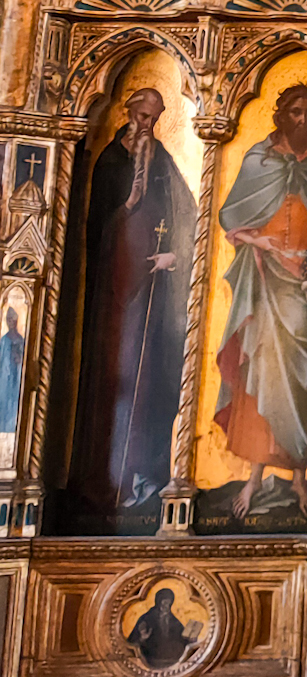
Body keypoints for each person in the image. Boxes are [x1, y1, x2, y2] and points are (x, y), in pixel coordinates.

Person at [212, 83, 307, 518]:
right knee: (261, 374)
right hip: (267, 281)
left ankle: (300, 477)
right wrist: (261, 242)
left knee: (305, 380)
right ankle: (254, 478)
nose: (303, 120)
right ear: (281, 115)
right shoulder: (260, 159)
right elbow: (231, 217)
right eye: (294, 112)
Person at [69, 88, 194, 517]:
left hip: (154, 293)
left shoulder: (161, 160)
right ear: (127, 112)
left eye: (154, 119)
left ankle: (143, 474)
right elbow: (97, 228)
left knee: (150, 378)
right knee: (115, 379)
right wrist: (129, 205)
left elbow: (186, 212)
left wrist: (175, 253)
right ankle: (104, 480)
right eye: (142, 116)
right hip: (116, 294)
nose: (147, 126)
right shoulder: (110, 162)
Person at [126, 587, 195, 670]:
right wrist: (142, 638)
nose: (165, 606)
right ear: (158, 602)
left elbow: (182, 640)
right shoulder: (146, 619)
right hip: (151, 659)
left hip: (172, 661)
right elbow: (130, 643)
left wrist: (191, 639)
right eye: (163, 603)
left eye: (168, 604)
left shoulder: (173, 620)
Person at [0, 305, 24, 437]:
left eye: (12, 320)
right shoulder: (4, 341)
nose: (10, 323)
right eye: (8, 320)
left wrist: (19, 360)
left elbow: (24, 359)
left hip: (16, 379)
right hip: (4, 380)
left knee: (14, 403)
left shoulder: (21, 341)